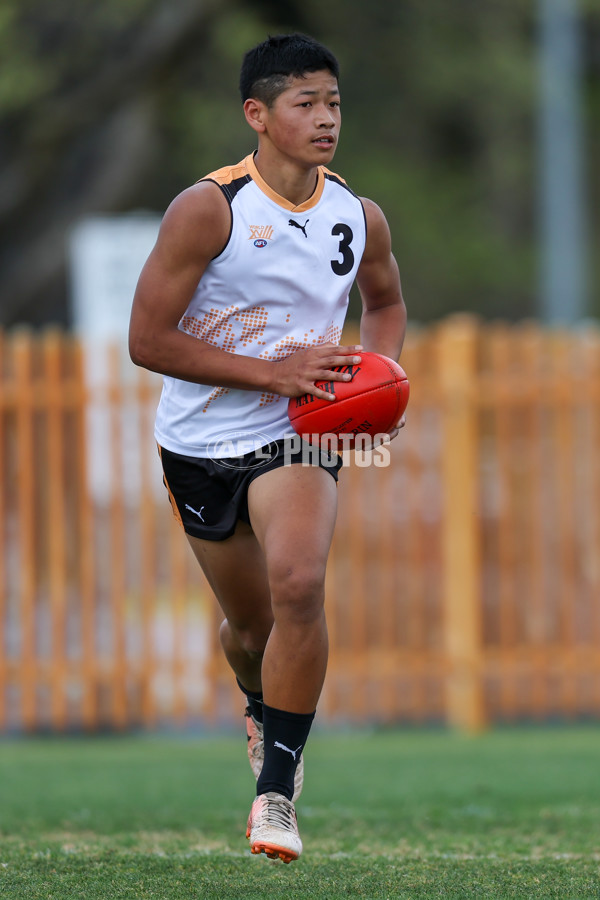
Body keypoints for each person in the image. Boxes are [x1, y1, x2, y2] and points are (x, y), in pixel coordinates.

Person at [129, 32, 406, 863]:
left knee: (299, 584)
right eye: (305, 103)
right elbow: (147, 339)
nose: (326, 119)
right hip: (199, 440)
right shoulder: (209, 208)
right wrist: (270, 370)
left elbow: (385, 300)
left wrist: (379, 375)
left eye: (334, 102)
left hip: (300, 432)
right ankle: (258, 700)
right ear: (258, 114)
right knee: (249, 628)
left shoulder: (357, 214)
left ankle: (275, 794)